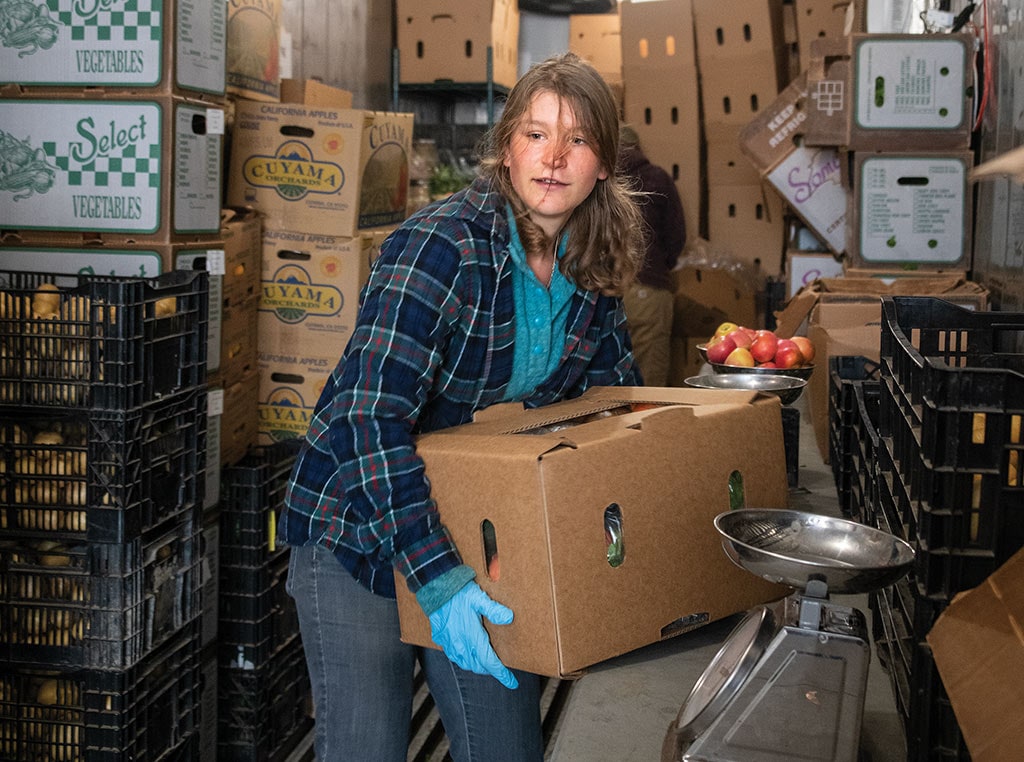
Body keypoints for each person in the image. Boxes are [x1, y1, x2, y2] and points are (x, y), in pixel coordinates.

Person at [278, 52, 646, 762]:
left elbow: (603, 410)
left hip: (478, 522)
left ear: (603, 161)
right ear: (507, 149)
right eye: (536, 134)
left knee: (505, 748)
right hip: (354, 520)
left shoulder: (593, 260)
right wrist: (438, 580)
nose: (554, 156)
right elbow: (366, 418)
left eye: (577, 139)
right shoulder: (442, 248)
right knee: (367, 747)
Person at [618, 125, 687, 387]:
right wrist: (660, 266)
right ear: (638, 148)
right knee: (649, 375)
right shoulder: (656, 178)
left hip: (599, 289)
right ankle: (644, 428)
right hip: (648, 288)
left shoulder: (594, 179)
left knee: (603, 376)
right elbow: (676, 236)